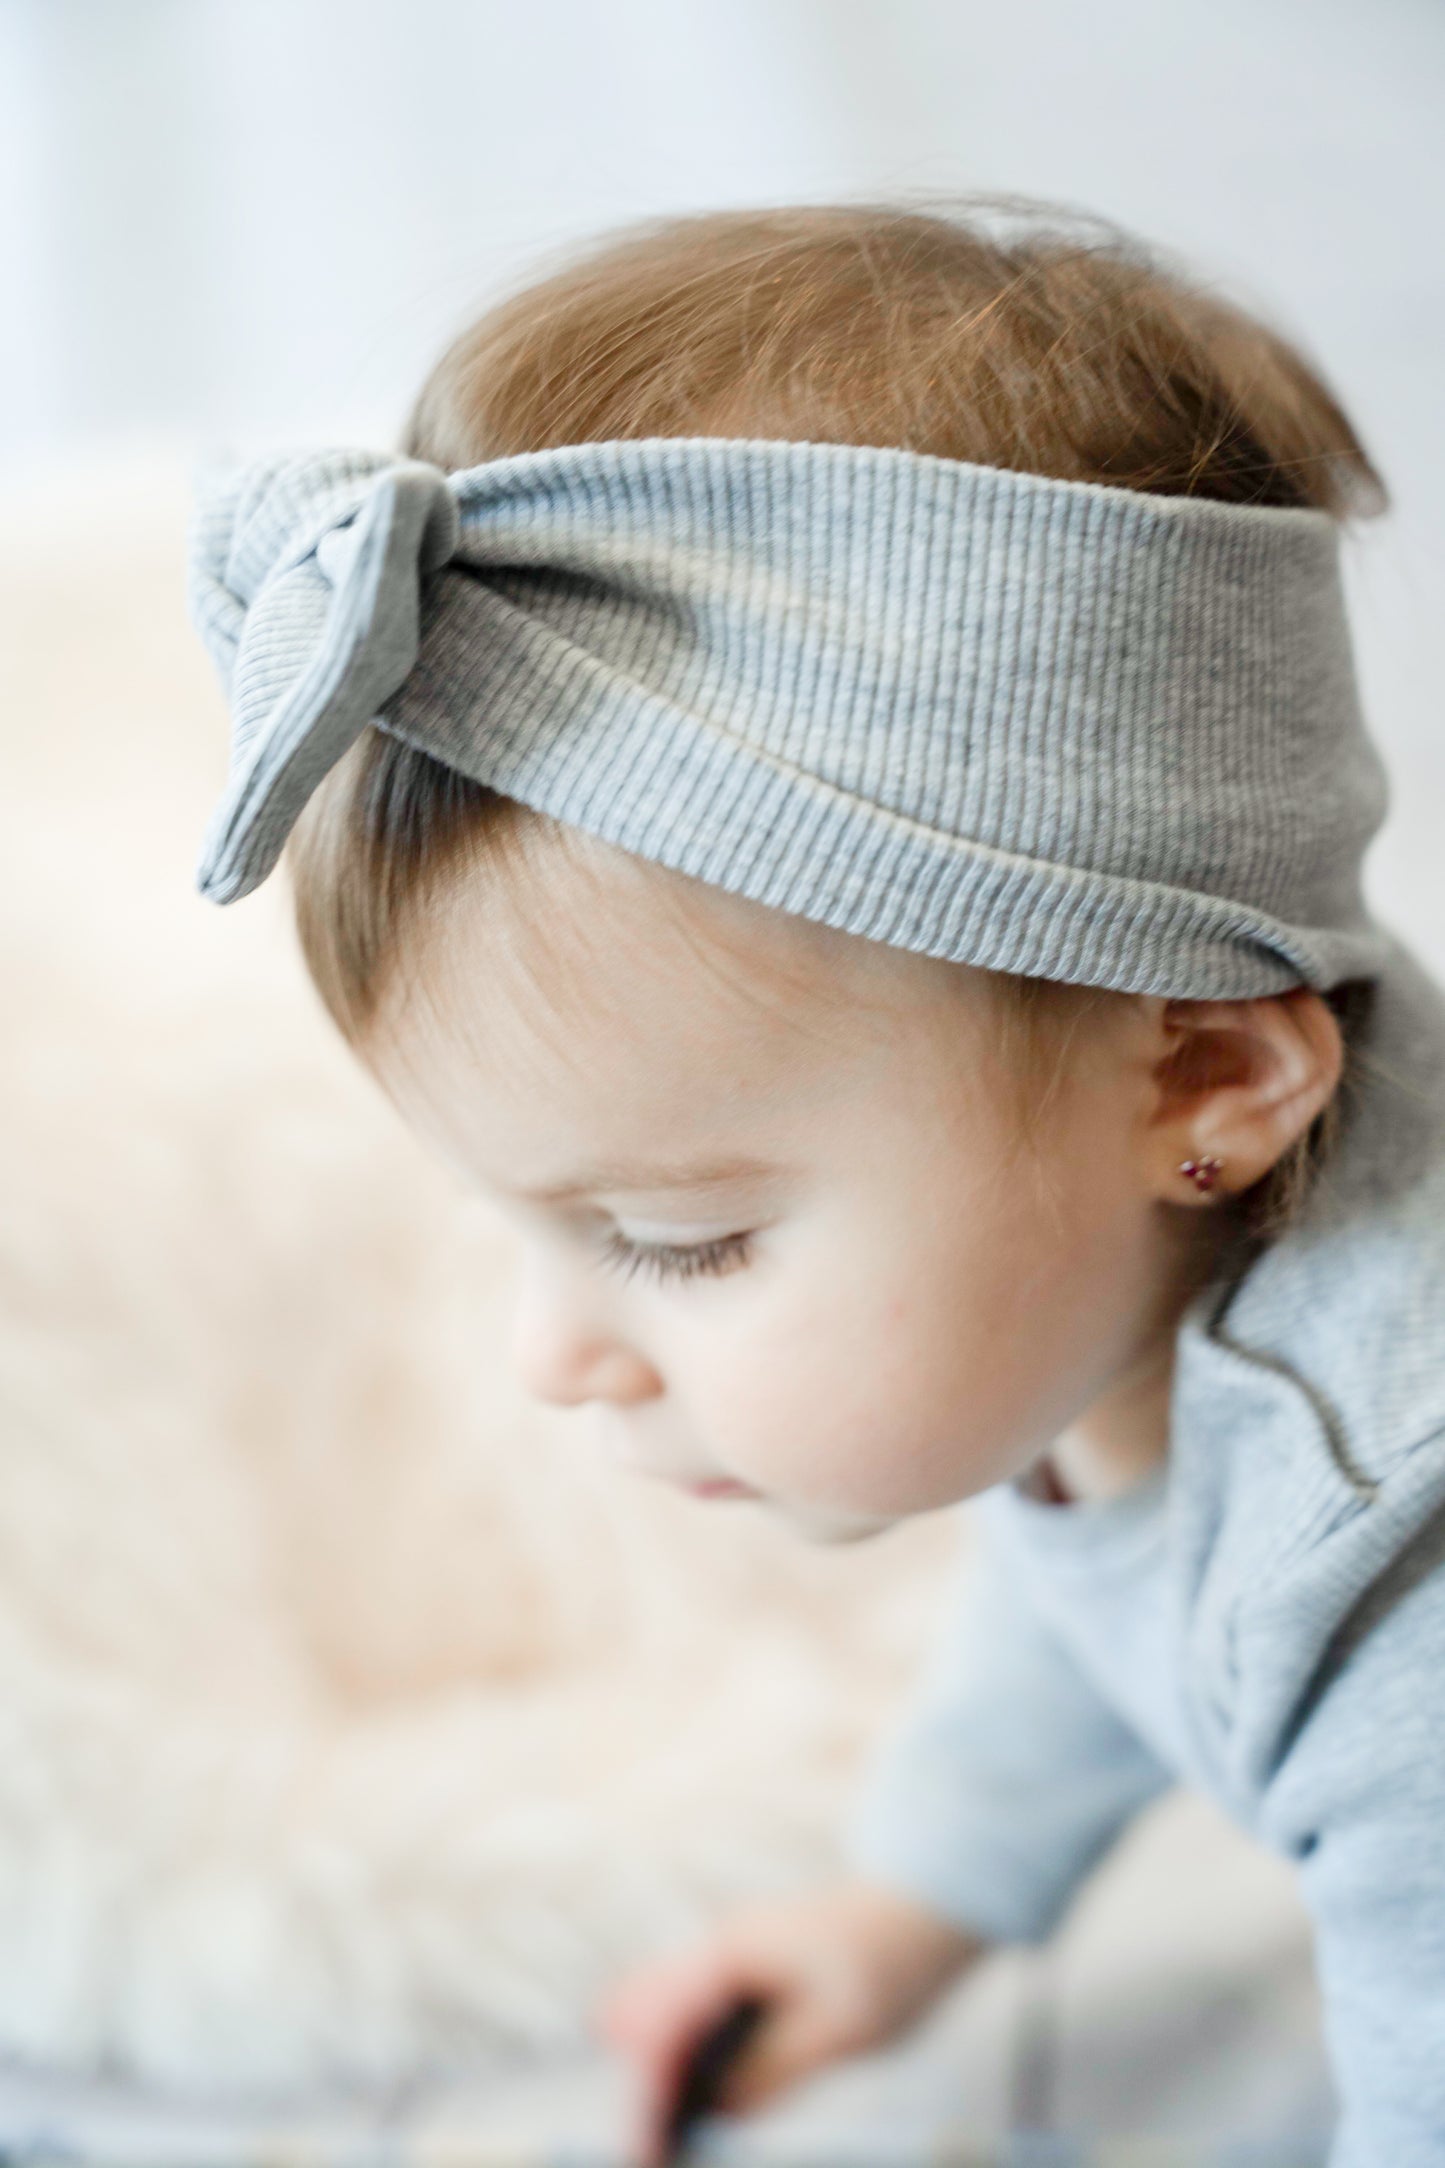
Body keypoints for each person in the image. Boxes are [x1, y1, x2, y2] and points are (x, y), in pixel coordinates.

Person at [185, 199, 1445, 2167]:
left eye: (679, 1241)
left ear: (1206, 1078)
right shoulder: (1122, 1274)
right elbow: (1097, 1571)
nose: (551, 1356)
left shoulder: (1396, 1584)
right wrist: (911, 1913)